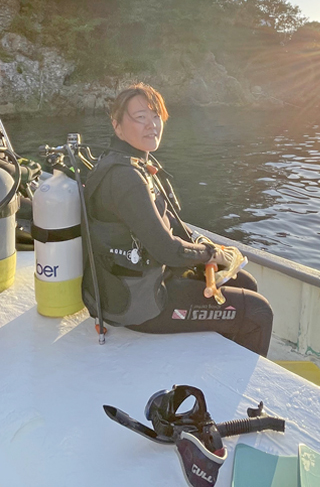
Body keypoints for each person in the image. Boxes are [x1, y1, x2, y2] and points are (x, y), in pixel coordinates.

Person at [82, 83, 274, 356]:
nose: (152, 125)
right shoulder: (124, 178)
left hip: (142, 282)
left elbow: (169, 223)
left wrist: (201, 246)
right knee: (258, 312)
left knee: (243, 283)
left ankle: (217, 360)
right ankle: (234, 389)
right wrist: (213, 254)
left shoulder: (133, 164)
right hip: (137, 303)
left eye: (156, 116)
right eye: (140, 117)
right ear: (117, 126)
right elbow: (168, 251)